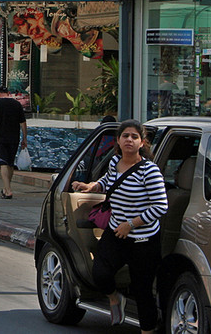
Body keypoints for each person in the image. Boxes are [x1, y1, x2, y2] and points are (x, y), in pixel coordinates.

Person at [71, 120, 168, 333]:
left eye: (134, 137)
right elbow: (109, 181)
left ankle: (147, 330)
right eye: (125, 136)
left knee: (142, 291)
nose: (129, 140)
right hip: (116, 233)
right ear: (118, 140)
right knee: (100, 274)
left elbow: (161, 206)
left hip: (143, 239)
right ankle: (115, 299)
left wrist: (131, 224)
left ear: (142, 142)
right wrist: (92, 186)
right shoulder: (115, 162)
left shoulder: (149, 171)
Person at [0, 85, 27, 199]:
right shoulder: (16, 104)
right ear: (8, 93)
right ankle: (6, 187)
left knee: (3, 162)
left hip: (0, 137)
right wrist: (24, 138)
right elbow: (23, 123)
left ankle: (8, 190)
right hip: (14, 137)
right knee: (10, 163)